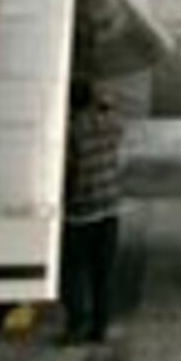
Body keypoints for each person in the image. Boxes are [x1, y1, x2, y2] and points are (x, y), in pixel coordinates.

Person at [61, 82, 123, 343]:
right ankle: (100, 327)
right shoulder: (111, 124)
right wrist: (104, 103)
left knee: (75, 271)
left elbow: (69, 167)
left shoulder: (72, 130)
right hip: (110, 207)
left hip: (81, 211)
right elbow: (113, 107)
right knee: (103, 273)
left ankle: (76, 325)